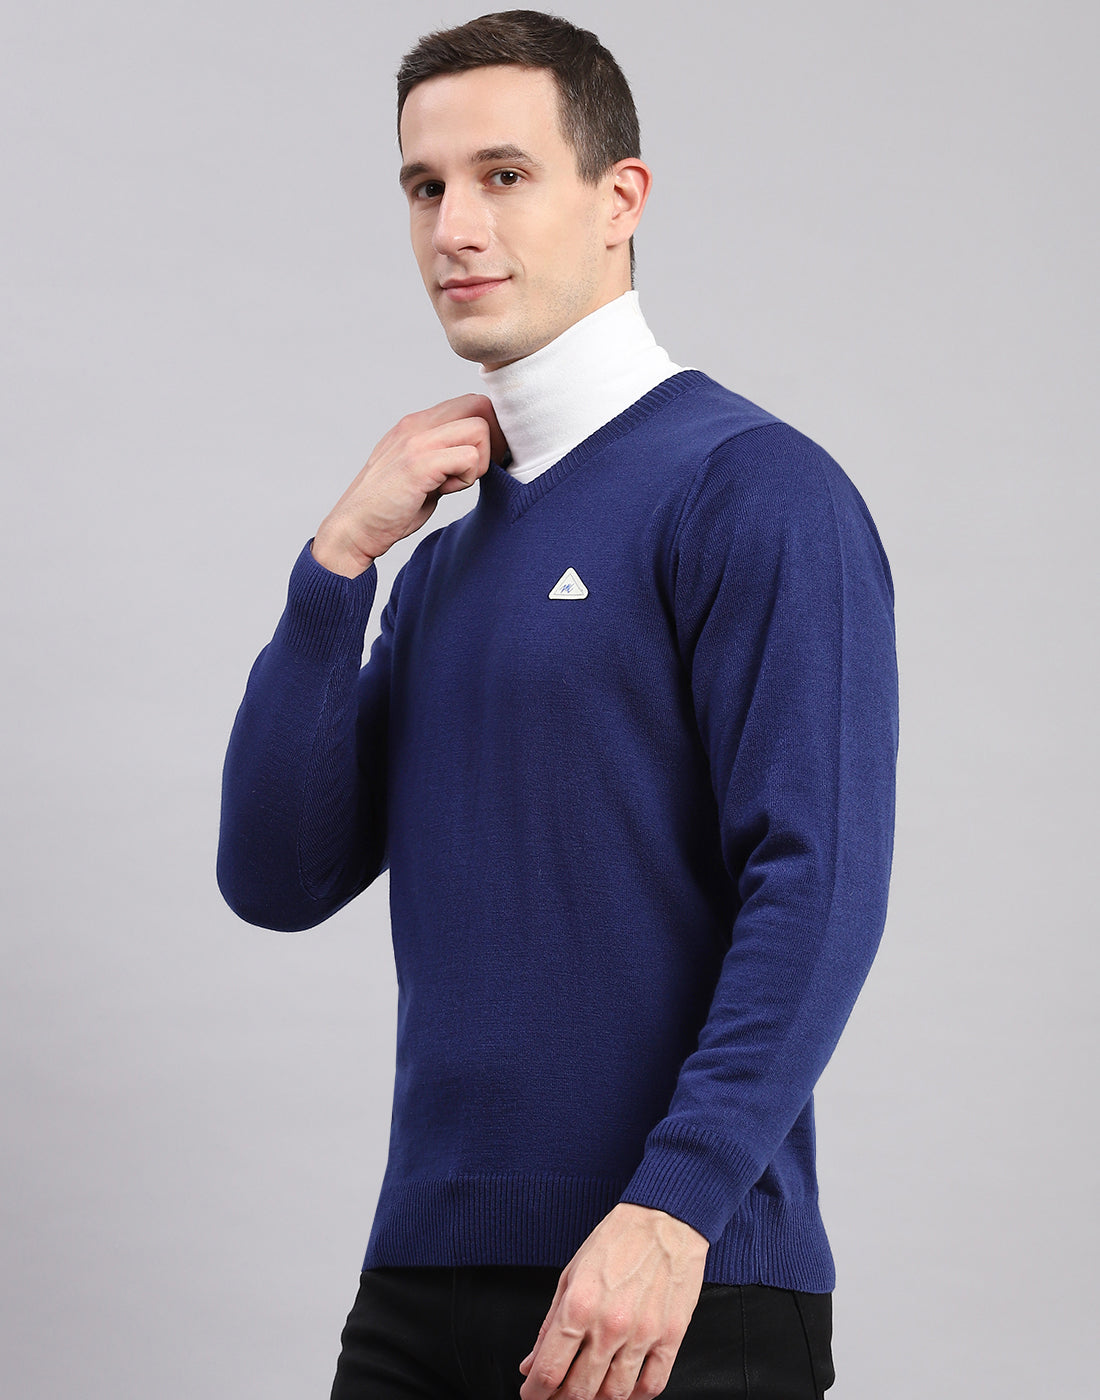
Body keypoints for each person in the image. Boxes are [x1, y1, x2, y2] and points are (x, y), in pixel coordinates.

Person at [217, 10, 898, 1399]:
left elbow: (817, 881)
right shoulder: (441, 558)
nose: (455, 227)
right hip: (423, 1277)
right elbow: (275, 878)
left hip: (676, 1285)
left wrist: (675, 1207)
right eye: (425, 187)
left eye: (505, 175)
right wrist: (337, 565)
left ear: (619, 198)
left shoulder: (754, 488)